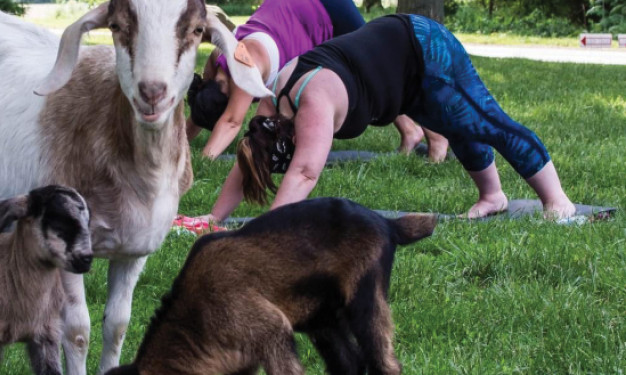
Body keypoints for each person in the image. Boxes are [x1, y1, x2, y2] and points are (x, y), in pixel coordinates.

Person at [213, 14, 576, 220]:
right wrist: (213, 219)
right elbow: (247, 159)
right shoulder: (273, 104)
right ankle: (493, 196)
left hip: (422, 50)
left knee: (485, 122)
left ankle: (558, 201)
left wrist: (269, 232)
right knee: (457, 125)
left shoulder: (313, 103)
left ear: (291, 138)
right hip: (397, 77)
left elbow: (305, 172)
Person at [186, 0, 448, 160]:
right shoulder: (217, 60)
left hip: (323, 5)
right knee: (369, 75)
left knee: (380, 71)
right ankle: (410, 132)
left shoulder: (244, 69)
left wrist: (204, 159)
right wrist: (181, 144)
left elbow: (231, 121)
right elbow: (203, 107)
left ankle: (436, 137)